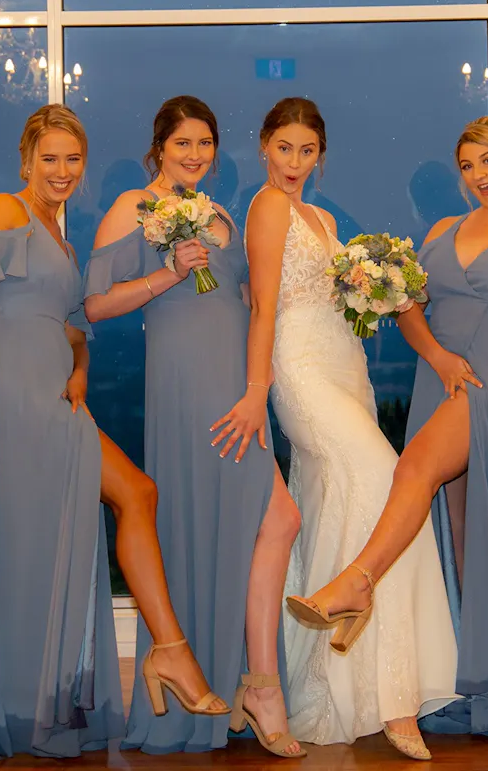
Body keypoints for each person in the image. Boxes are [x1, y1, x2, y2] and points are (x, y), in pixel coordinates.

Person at [0, 104, 227, 763]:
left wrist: (82, 370)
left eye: (73, 159)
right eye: (50, 158)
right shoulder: (5, 209)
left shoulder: (61, 241)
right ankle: (169, 654)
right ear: (27, 160)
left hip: (58, 391)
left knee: (49, 539)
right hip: (17, 394)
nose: (62, 171)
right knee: (135, 493)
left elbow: (73, 328)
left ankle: (46, 704)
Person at [295, 116, 488, 745]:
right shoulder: (442, 231)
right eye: (467, 165)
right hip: (443, 378)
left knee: (413, 470)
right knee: (458, 540)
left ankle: (357, 582)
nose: (478, 174)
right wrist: (438, 358)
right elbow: (409, 308)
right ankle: (476, 686)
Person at [211, 97, 457, 760]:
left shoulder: (321, 219)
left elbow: (340, 303)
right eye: (284, 147)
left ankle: (361, 687)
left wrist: (383, 291)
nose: (294, 162)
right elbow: (263, 307)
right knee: (385, 480)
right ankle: (391, 696)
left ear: (321, 156)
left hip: (347, 369)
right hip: (299, 372)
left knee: (349, 505)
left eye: (307, 150)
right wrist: (256, 393)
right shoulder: (267, 207)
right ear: (264, 146)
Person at [84, 95, 303, 757]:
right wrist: (166, 274)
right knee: (274, 517)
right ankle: (252, 690)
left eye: (205, 143)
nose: (195, 154)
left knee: (254, 523)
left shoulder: (220, 212)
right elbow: (96, 303)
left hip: (238, 382)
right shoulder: (134, 205)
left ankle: (242, 687)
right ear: (159, 148)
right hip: (190, 383)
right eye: (182, 143)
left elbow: (248, 299)